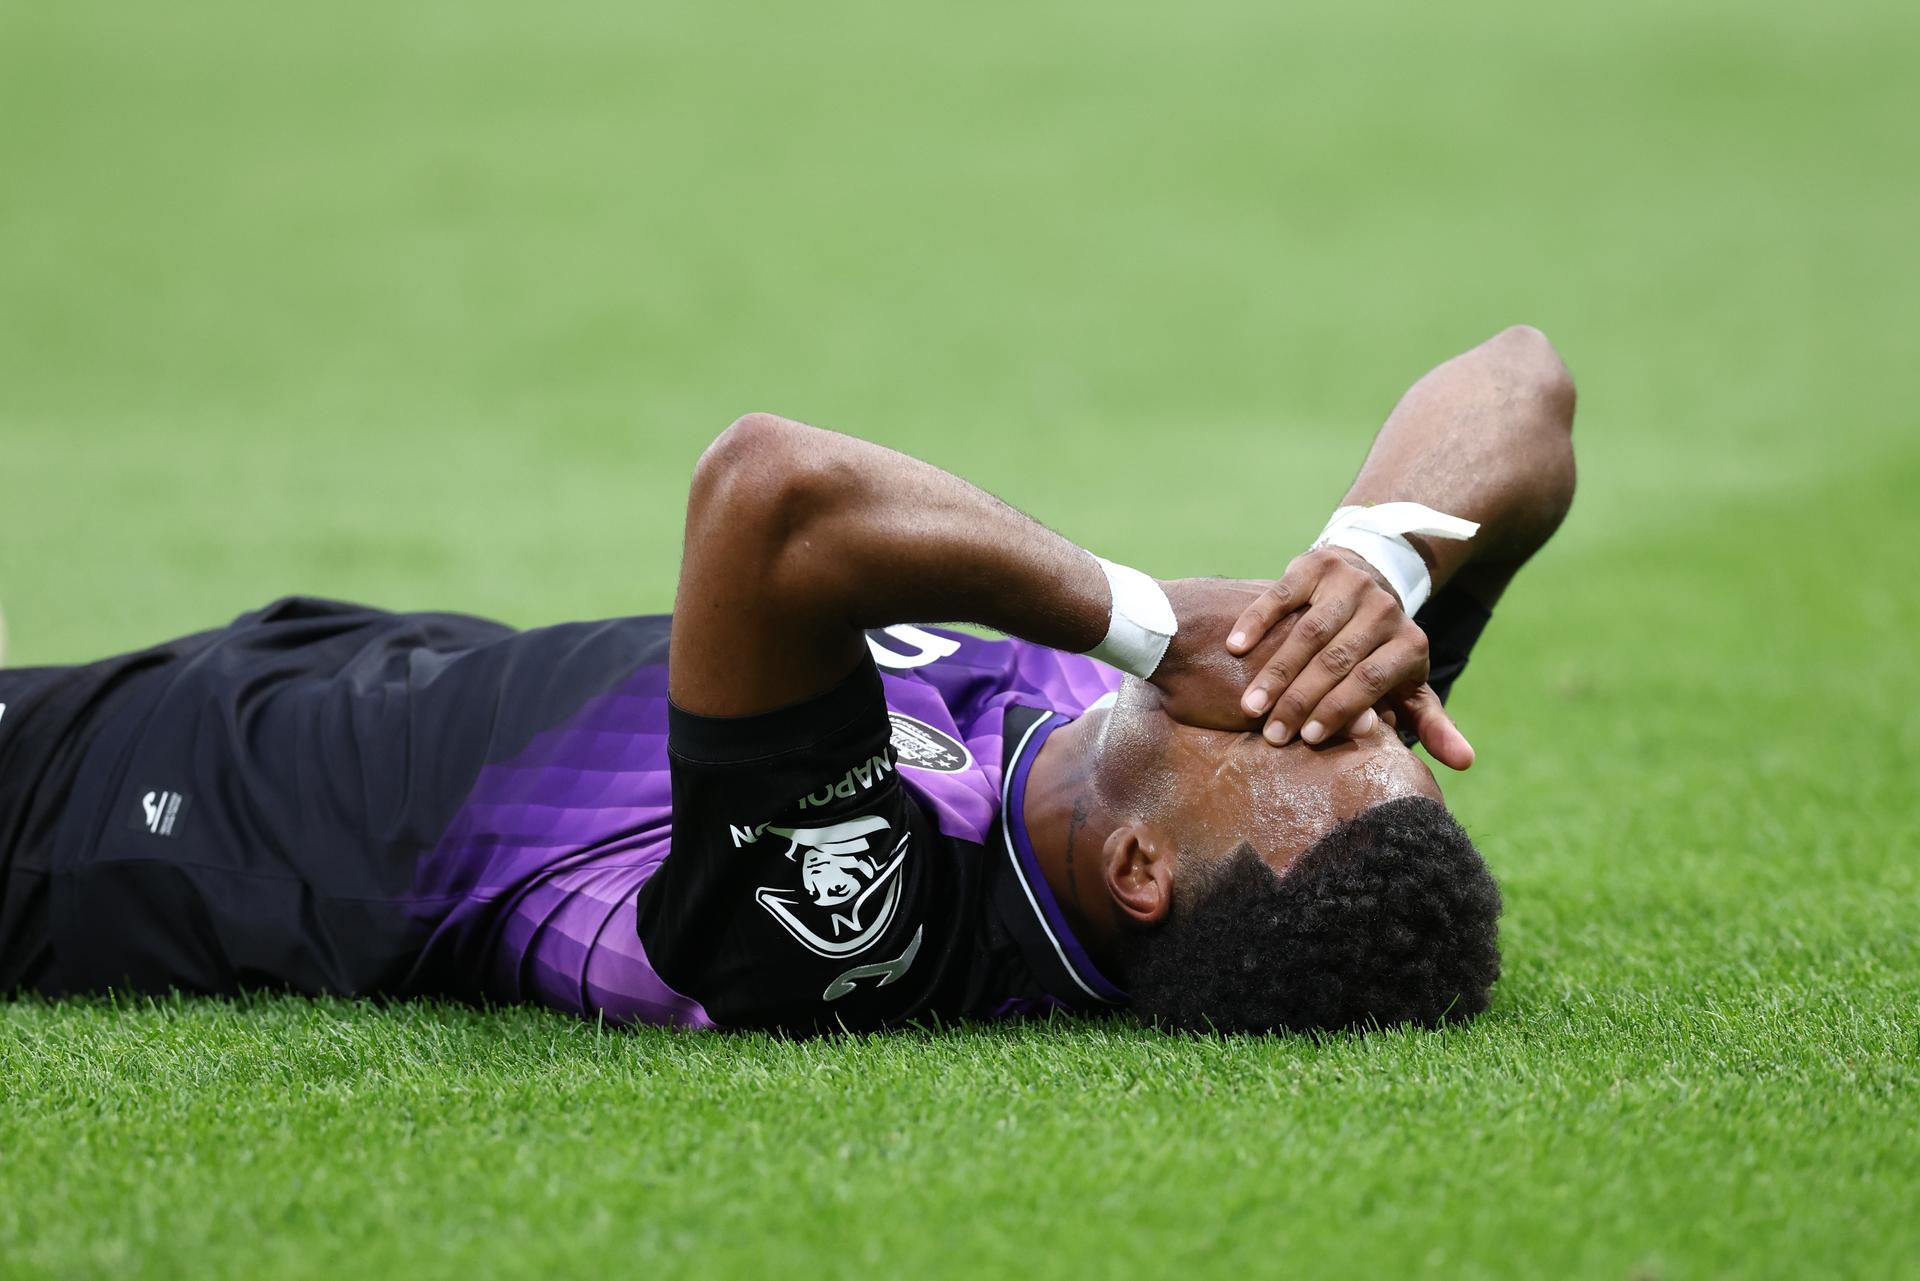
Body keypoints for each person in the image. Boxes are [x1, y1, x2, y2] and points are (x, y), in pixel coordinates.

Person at [0, 327, 1576, 1035]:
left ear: (1146, 870)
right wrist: (1377, 568)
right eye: (1381, 711)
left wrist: (1153, 620)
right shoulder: (1201, 761)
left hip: (126, 815)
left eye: (1315, 727)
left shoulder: (876, 924)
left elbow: (773, 496)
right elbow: (1524, 386)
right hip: (327, 662)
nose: (1315, 688)